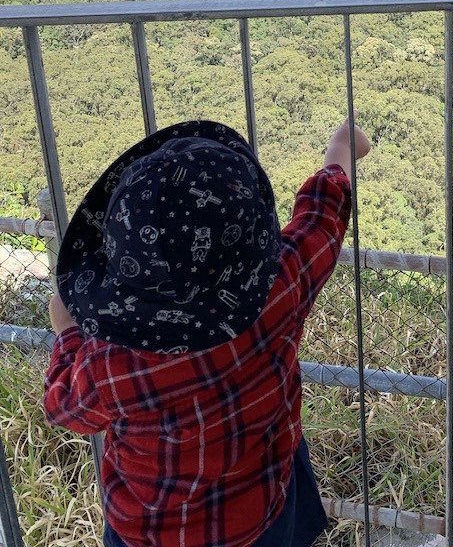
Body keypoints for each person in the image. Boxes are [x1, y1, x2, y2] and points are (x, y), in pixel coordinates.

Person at [44, 114, 371, 547]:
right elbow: (320, 220)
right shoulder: (280, 290)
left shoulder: (111, 365)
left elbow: (65, 408)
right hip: (265, 506)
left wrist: (67, 334)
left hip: (153, 534)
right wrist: (341, 152)